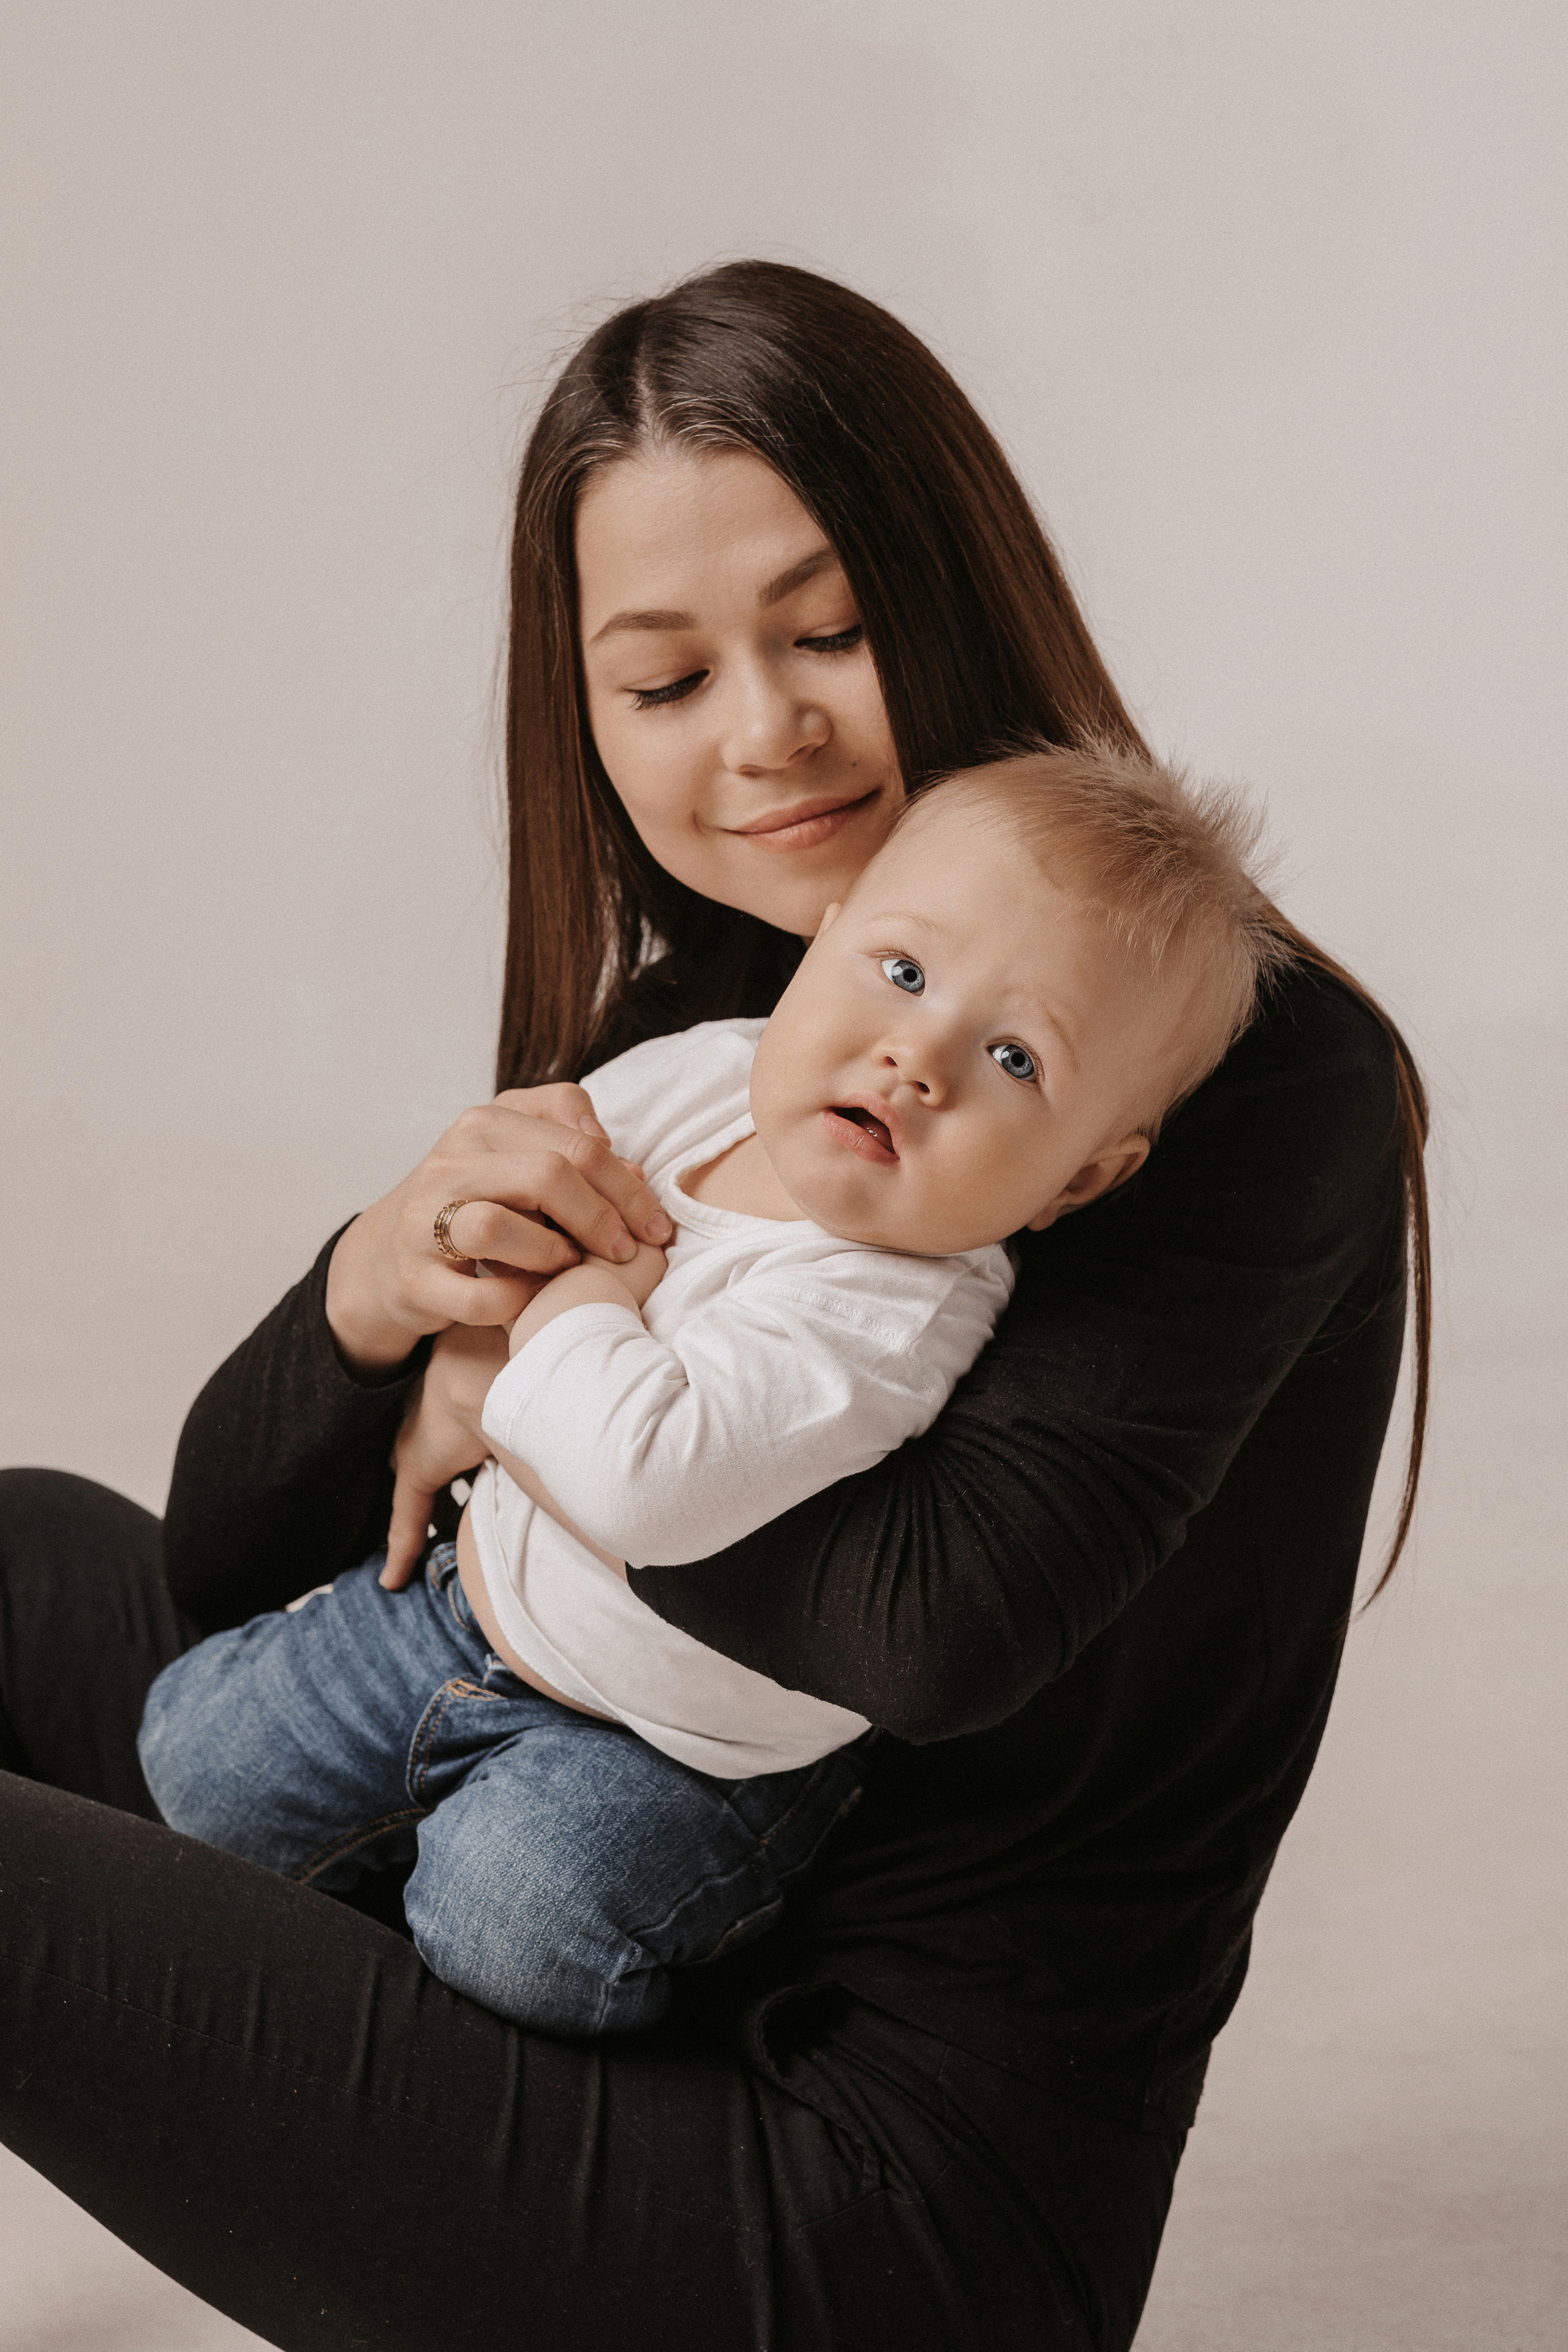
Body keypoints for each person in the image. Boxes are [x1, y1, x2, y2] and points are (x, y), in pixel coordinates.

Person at [0, 261, 1429, 2352]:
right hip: (548, 1892)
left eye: (830, 632)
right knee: (31, 1549)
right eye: (664, 680)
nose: (764, 735)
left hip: (852, 2207)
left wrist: (545, 1368)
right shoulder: (728, 1019)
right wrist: (376, 1293)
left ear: (955, 596)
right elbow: (240, 1559)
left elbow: (930, 1632)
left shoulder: (1234, 1076)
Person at [134, 748, 1284, 2040]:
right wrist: (498, 1279)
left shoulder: (899, 1303)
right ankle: (380, 1879)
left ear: (1080, 1179)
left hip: (677, 1749)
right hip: (473, 1604)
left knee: (512, 1931)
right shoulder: (705, 1075)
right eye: (902, 974)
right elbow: (523, 1177)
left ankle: (686, 1962)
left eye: (1014, 1059)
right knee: (195, 1752)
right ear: (825, 939)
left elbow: (642, 1480)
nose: (916, 1058)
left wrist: (572, 1291)